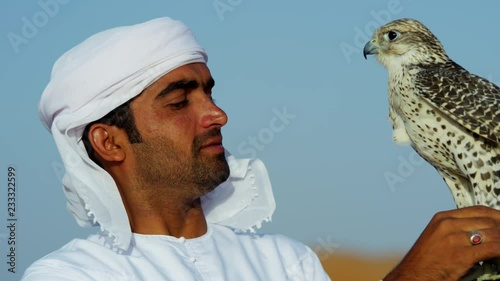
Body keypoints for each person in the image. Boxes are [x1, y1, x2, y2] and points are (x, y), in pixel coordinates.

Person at [22, 17, 500, 281]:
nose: (217, 114)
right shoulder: (73, 275)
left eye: (209, 92)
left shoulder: (288, 263)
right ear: (109, 142)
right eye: (179, 101)